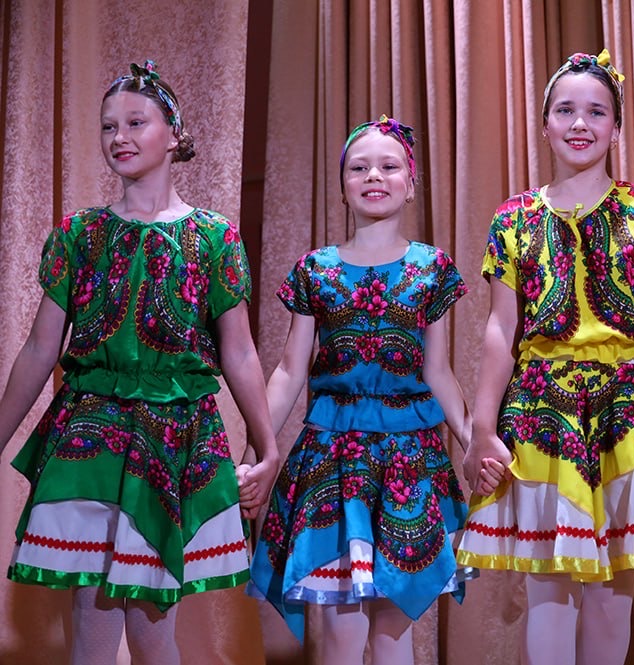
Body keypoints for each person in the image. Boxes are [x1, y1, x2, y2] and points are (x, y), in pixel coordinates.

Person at [0, 60, 279, 665]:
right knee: (91, 615)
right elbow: (40, 348)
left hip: (174, 435)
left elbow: (238, 350)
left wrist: (267, 445)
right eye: (108, 126)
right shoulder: (79, 234)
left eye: (135, 122)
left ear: (174, 135)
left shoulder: (215, 238)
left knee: (153, 624)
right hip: (91, 432)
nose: (119, 137)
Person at [456, 49, 634, 665]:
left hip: (628, 405)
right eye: (565, 109)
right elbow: (500, 327)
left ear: (616, 128)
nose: (580, 123)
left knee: (614, 590)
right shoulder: (513, 218)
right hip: (543, 409)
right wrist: (482, 427)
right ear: (545, 125)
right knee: (550, 585)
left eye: (597, 111)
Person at [248, 116, 475, 665]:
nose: (374, 176)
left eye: (388, 166)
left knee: (395, 626)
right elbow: (289, 371)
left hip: (409, 460)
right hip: (333, 459)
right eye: (359, 167)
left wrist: (476, 441)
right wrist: (258, 451)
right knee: (342, 628)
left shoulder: (431, 268)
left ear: (410, 183)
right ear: (343, 184)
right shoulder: (316, 270)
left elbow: (439, 371)